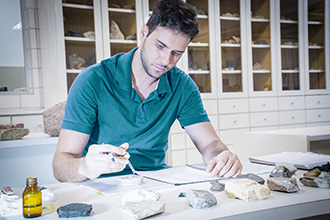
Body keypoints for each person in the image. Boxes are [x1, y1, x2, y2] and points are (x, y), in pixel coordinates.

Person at [53, 0, 242, 182]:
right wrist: (85, 166)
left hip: (156, 181)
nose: (166, 60)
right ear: (144, 33)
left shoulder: (182, 85)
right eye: (160, 46)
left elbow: (209, 144)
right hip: (101, 185)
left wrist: (222, 156)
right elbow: (60, 166)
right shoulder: (92, 80)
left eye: (177, 53)